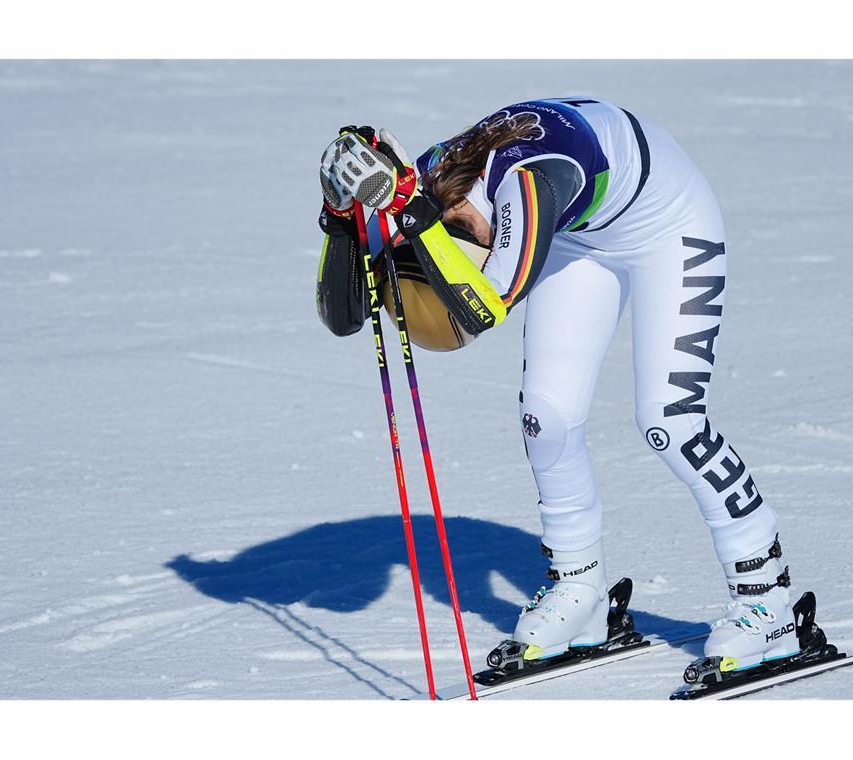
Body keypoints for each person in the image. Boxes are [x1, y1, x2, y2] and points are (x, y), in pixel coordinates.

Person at [315, 99, 797, 673]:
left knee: (671, 420)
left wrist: (417, 219)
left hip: (669, 225)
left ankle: (768, 601)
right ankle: (579, 592)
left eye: (471, 246)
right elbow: (345, 317)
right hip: (579, 235)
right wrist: (339, 219)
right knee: (546, 417)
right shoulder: (431, 185)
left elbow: (479, 309)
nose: (477, 257)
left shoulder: (531, 183)